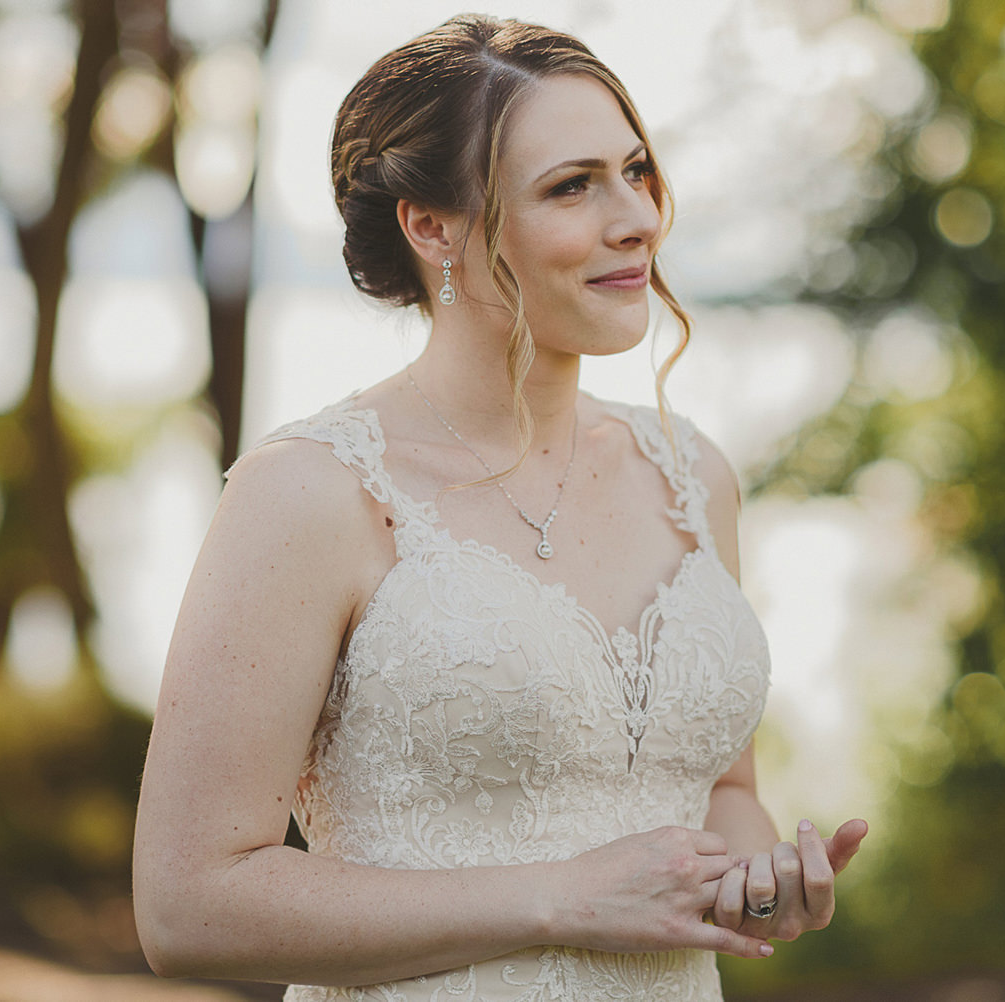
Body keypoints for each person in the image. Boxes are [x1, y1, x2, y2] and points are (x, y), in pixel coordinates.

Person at [132, 13, 868, 1001]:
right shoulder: (310, 492)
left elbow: (724, 792)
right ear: (433, 227)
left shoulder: (692, 474)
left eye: (636, 170)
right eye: (572, 186)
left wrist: (755, 878)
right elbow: (188, 907)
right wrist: (557, 896)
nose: (638, 218)